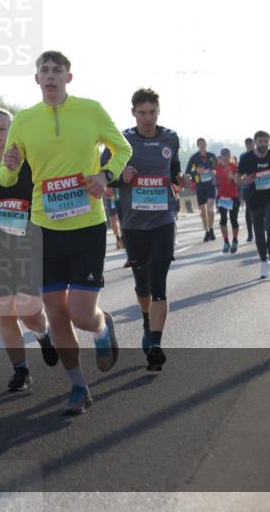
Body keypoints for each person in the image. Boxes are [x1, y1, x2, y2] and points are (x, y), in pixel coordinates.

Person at [0, 51, 131, 415]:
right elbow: (7, 177)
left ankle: (103, 329)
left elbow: (123, 148)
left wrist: (105, 175)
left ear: (68, 78)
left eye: (58, 70)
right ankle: (78, 387)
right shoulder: (24, 121)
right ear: (37, 79)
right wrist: (9, 168)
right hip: (45, 228)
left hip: (87, 225)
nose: (51, 75)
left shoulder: (91, 110)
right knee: (56, 313)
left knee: (80, 313)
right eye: (45, 70)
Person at [0, 109, 59, 392]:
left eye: (2, 129)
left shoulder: (30, 164)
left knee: (29, 312)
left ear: (13, 131)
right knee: (5, 312)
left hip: (29, 245)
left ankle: (43, 333)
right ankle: (21, 370)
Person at [112, 88, 182, 371]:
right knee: (143, 285)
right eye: (142, 113)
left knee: (159, 283)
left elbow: (174, 169)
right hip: (133, 224)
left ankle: (155, 343)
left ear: (158, 112)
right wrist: (121, 176)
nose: (147, 118)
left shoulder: (170, 138)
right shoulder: (122, 141)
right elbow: (106, 175)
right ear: (133, 113)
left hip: (163, 220)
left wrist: (180, 177)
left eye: (152, 112)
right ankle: (145, 319)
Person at [236, 131, 270, 279]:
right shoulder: (246, 158)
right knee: (258, 231)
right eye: (260, 141)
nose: (263, 144)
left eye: (266, 141)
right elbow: (237, 177)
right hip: (254, 199)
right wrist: (245, 181)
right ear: (255, 142)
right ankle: (264, 263)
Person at [185, 138, 217, 242]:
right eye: (200, 144)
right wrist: (196, 172)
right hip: (200, 186)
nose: (202, 145)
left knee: (210, 205)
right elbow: (188, 172)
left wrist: (214, 173)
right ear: (197, 145)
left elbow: (218, 168)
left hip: (211, 185)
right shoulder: (194, 158)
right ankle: (207, 230)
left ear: (206, 144)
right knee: (203, 210)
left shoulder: (212, 156)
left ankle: (211, 228)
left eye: (203, 143)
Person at [214, 148, 240, 254]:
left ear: (229, 156)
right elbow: (214, 177)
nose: (225, 157)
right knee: (223, 219)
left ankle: (235, 240)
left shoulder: (234, 166)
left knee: (233, 220)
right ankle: (226, 242)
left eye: (227, 155)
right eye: (223, 155)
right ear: (221, 156)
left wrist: (233, 177)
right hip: (222, 197)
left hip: (233, 196)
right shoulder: (217, 166)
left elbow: (239, 180)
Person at [241, 137, 255, 243]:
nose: (249, 145)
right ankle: (250, 234)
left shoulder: (258, 154)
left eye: (250, 143)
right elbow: (241, 170)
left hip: (260, 186)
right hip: (247, 187)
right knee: (248, 211)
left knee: (260, 210)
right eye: (247, 144)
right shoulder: (243, 156)